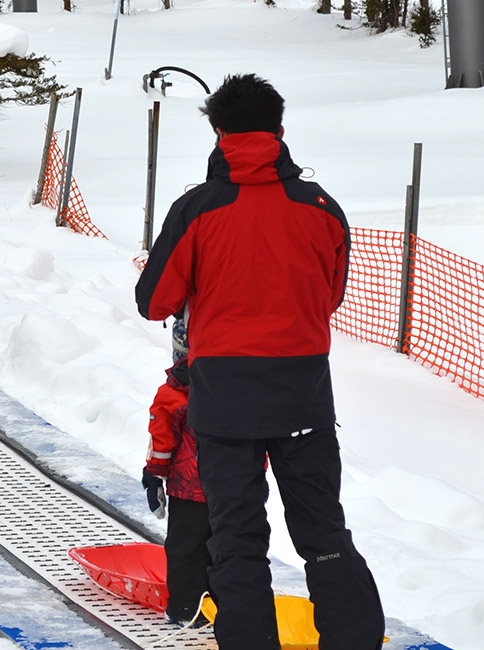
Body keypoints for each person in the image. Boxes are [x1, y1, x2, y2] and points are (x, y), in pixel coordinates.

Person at [135, 73, 383, 649]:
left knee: (237, 541)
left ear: (220, 133)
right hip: (303, 395)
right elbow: (330, 295)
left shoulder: (197, 208)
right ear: (280, 128)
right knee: (324, 535)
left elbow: (154, 302)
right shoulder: (322, 207)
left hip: (223, 401)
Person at [142, 353, 212, 626]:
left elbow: (163, 438)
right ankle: (223, 603)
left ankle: (185, 608)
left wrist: (154, 473)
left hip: (189, 486)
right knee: (226, 544)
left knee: (186, 546)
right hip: (233, 484)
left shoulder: (175, 390)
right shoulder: (242, 381)